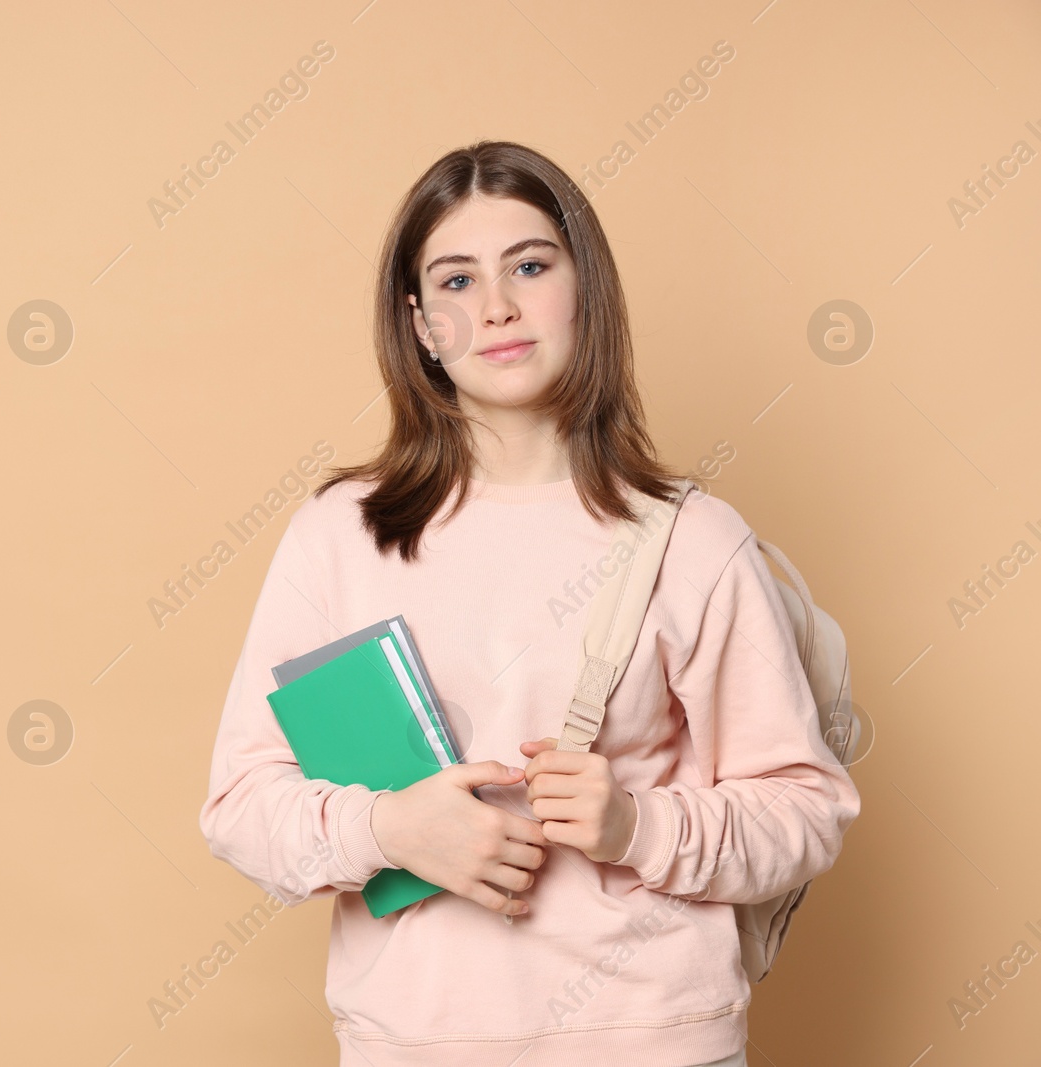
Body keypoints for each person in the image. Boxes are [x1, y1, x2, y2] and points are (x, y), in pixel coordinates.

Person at [197, 140, 860, 1067]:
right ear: (421, 324)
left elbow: (804, 809)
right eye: (457, 280)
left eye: (531, 266)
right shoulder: (340, 535)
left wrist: (637, 824)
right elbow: (240, 807)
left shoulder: (693, 539)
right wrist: (389, 828)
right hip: (416, 1044)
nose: (497, 306)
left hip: (656, 1041)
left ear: (585, 288)